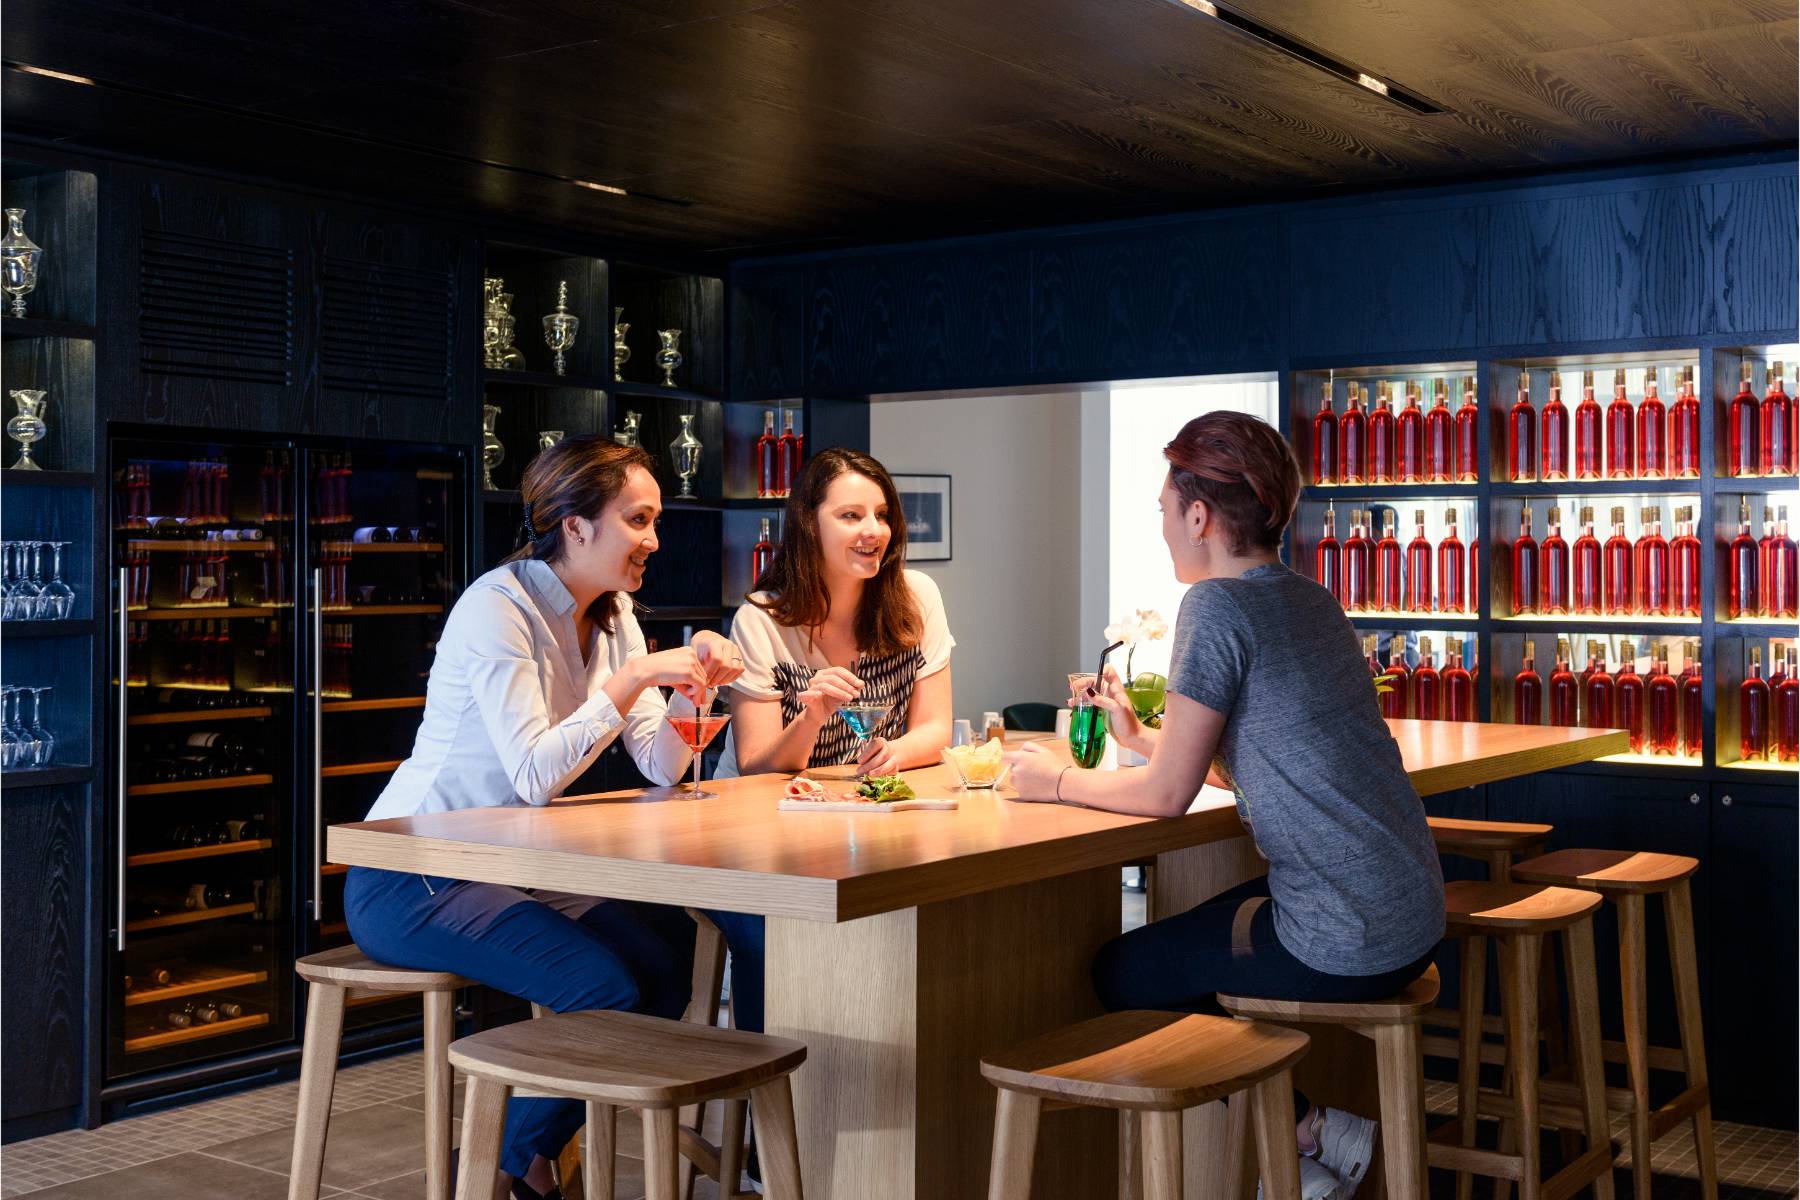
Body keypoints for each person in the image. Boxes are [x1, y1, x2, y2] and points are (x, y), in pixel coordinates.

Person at [1004, 411, 1443, 1200]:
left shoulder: (1215, 606)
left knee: (1125, 970)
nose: (1166, 525)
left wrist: (1053, 781)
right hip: (1409, 911)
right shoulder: (1311, 600)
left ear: (1199, 516)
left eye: (1166, 510)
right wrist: (1146, 742)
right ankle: (1306, 1142)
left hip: (1340, 932)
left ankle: (1305, 1132)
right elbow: (1264, 760)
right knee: (1203, 937)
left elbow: (1167, 801)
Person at [343, 436, 746, 1200]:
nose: (654, 540)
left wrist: (697, 687)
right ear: (576, 526)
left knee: (663, 967)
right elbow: (532, 775)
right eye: (639, 519)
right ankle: (499, 1170)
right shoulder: (498, 607)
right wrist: (630, 680)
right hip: (412, 872)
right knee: (604, 988)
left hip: (510, 869)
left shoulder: (617, 617)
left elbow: (662, 763)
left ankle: (530, 1162)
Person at [709, 446, 956, 1034]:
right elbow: (756, 765)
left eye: (881, 514)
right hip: (753, 832)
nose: (873, 531)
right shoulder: (762, 618)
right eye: (850, 516)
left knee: (923, 913)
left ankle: (859, 1077)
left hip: (856, 822)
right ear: (807, 523)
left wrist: (891, 753)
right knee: (772, 927)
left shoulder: (917, 599)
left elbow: (936, 729)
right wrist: (814, 713)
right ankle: (763, 1095)